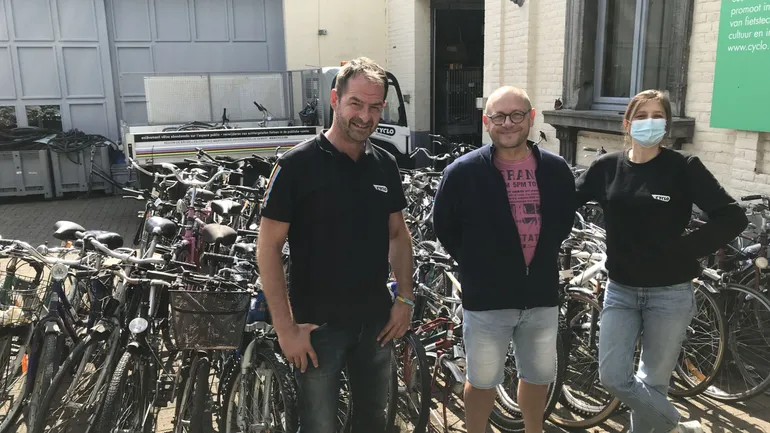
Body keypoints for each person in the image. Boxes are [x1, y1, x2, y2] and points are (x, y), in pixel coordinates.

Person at [574, 89, 749, 433]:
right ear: (626, 123)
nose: (649, 122)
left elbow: (732, 217)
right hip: (620, 291)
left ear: (667, 125)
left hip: (669, 295)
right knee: (614, 377)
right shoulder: (606, 167)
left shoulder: (683, 168)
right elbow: (564, 201)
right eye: (641, 116)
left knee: (653, 384)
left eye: (657, 116)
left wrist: (684, 249)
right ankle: (678, 427)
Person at [256, 57, 414, 433]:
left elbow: (398, 234)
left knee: (374, 422)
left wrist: (405, 299)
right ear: (334, 100)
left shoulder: (385, 165)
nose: (365, 115)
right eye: (356, 103)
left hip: (376, 323)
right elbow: (268, 248)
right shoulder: (296, 166)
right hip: (316, 329)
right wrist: (285, 329)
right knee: (319, 426)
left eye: (375, 106)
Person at [432, 86, 576, 433]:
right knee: (482, 380)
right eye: (498, 116)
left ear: (531, 118)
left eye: (516, 115)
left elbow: (562, 222)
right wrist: (479, 265)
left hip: (541, 295)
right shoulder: (463, 172)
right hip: (487, 299)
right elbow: (444, 226)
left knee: (538, 375)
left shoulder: (556, 170)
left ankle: (533, 429)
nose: (507, 123)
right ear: (487, 121)